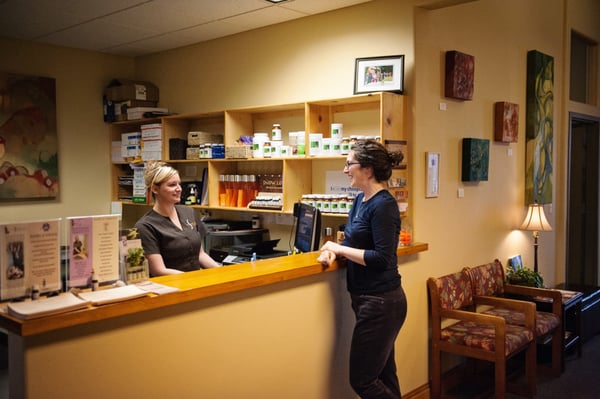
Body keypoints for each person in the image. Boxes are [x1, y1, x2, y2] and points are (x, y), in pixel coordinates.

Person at [318, 139, 407, 399]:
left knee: (363, 380)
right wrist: (333, 250)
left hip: (382, 302)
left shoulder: (384, 205)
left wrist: (340, 248)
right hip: (365, 299)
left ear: (367, 170)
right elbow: (351, 240)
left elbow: (382, 258)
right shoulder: (360, 201)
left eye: (349, 164)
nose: (345, 169)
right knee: (384, 375)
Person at [135, 161, 221, 276]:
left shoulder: (188, 212)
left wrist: (221, 271)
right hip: (171, 286)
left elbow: (200, 255)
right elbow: (158, 270)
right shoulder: (145, 226)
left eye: (179, 184)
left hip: (196, 281)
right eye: (172, 185)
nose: (179, 189)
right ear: (155, 189)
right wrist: (189, 280)